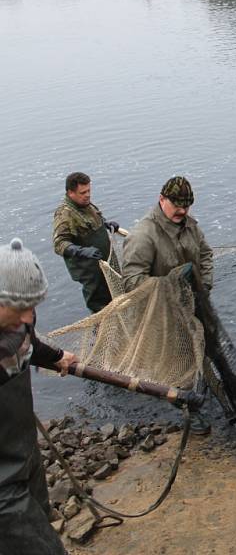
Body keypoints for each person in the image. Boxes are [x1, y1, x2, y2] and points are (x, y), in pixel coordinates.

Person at [0, 238, 78, 555]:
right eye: (20, 309)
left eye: (33, 307)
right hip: (3, 487)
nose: (28, 317)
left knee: (40, 519)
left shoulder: (20, 323)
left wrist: (57, 356)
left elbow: (30, 341)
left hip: (25, 456)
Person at [122, 176, 214, 435]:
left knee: (198, 354)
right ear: (162, 199)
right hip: (160, 315)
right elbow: (131, 283)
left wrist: (204, 285)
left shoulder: (190, 226)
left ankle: (198, 389)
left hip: (193, 306)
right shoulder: (143, 235)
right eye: (176, 205)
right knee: (172, 367)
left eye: (187, 206)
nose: (182, 211)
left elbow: (206, 254)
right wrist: (172, 282)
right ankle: (187, 411)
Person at [52, 172, 119, 312]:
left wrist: (106, 223)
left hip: (106, 264)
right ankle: (101, 331)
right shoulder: (65, 214)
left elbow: (93, 220)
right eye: (83, 192)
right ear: (71, 193)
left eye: (89, 190)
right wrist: (82, 251)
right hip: (91, 271)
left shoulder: (86, 204)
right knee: (100, 307)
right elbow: (59, 244)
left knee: (117, 298)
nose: (87, 195)